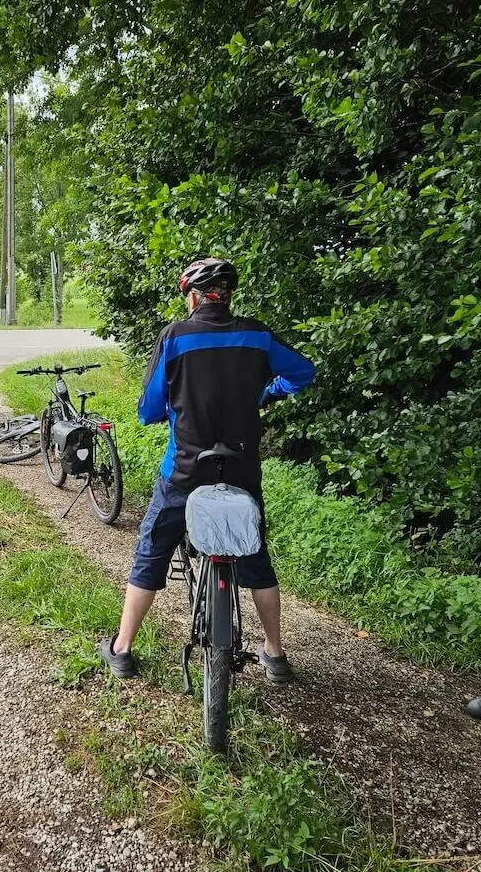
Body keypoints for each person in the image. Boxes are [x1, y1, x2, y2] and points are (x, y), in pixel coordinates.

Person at [97, 258, 315, 684]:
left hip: (183, 472)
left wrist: (168, 410)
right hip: (242, 471)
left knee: (150, 553)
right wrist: (266, 392)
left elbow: (148, 408)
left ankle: (122, 649)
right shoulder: (257, 335)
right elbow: (302, 372)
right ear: (228, 295)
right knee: (256, 559)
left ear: (193, 297)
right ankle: (274, 653)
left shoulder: (175, 337)